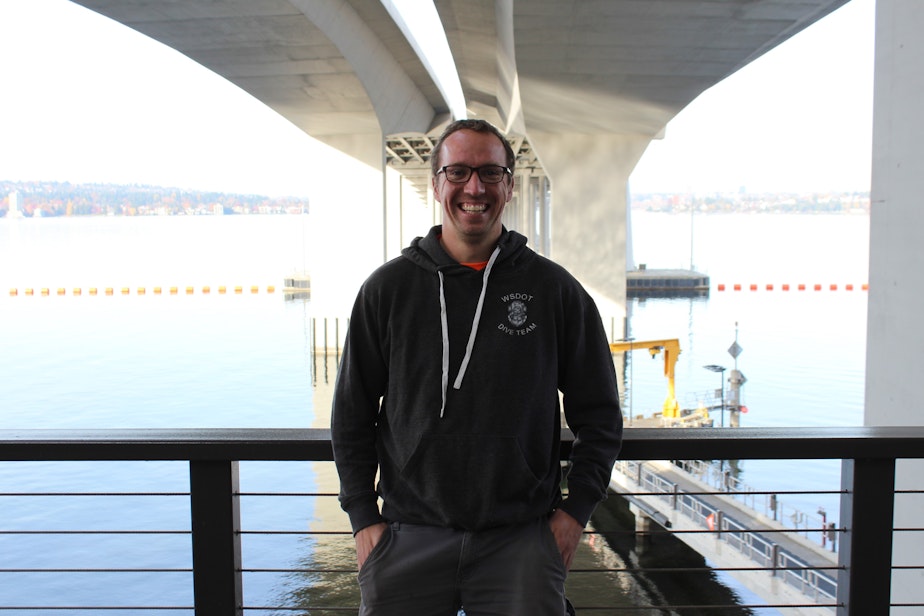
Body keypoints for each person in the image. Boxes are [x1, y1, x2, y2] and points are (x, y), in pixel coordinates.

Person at [331, 118, 623, 615]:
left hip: (522, 540)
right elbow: (352, 413)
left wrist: (575, 513)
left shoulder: (554, 290)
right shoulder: (387, 290)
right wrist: (364, 519)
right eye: (459, 171)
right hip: (407, 538)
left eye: (491, 173)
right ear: (436, 183)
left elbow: (600, 413)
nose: (474, 187)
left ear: (509, 184)